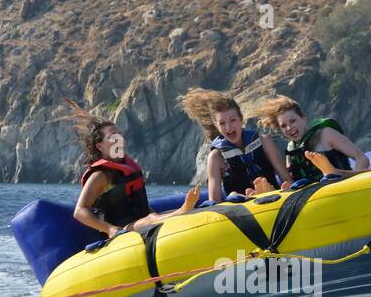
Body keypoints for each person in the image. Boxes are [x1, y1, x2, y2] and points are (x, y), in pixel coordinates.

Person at [64, 101, 199, 238]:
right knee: (151, 219)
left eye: (120, 134)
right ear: (100, 146)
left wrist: (156, 215)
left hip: (141, 222)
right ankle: (183, 210)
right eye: (113, 137)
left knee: (156, 216)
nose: (119, 139)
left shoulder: (128, 168)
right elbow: (80, 211)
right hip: (122, 229)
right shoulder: (100, 176)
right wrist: (109, 229)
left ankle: (182, 212)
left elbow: (138, 203)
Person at [179, 89, 293, 203]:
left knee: (267, 189)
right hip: (240, 208)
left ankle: (264, 191)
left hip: (274, 199)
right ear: (215, 124)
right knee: (234, 196)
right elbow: (214, 202)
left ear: (241, 119)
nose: (228, 128)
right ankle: (251, 195)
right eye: (222, 123)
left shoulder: (264, 142)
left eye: (232, 120)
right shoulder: (215, 158)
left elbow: (286, 179)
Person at [250, 95, 370, 184]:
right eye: (283, 126)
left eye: (293, 121)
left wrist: (356, 184)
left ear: (303, 118)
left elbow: (361, 158)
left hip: (343, 187)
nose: (289, 127)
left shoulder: (325, 134)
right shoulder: (291, 150)